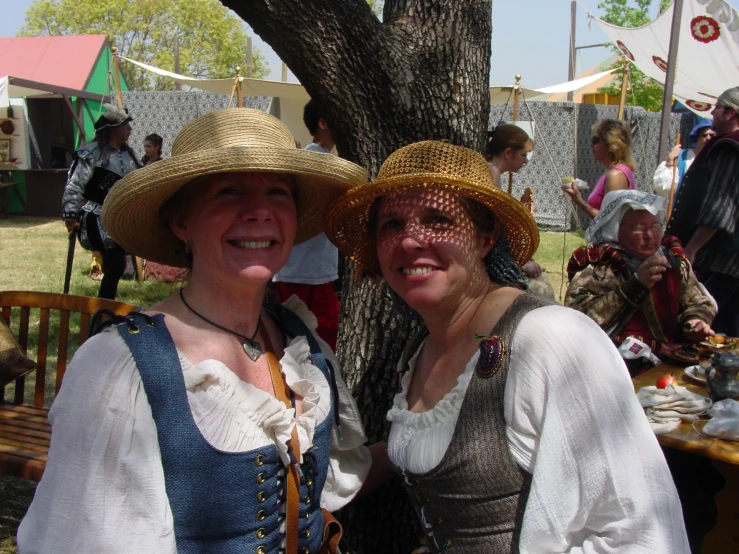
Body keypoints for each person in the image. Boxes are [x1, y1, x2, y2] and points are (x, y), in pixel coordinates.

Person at [19, 108, 386, 553]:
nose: (259, 212)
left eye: (277, 192)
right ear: (181, 221)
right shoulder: (118, 370)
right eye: (228, 192)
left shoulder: (300, 343)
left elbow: (328, 484)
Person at [324, 140, 689, 553]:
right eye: (391, 224)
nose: (410, 241)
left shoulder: (551, 339)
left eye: (439, 220)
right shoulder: (419, 349)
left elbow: (642, 535)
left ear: (485, 238)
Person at [565, 190, 715, 376]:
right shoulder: (601, 266)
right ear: (616, 228)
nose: (649, 235)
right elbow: (578, 319)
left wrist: (695, 321)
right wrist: (635, 284)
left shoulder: (673, 261)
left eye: (654, 226)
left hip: (671, 366)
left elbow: (698, 302)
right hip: (614, 369)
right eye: (639, 228)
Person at [667, 86, 739, 337]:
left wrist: (692, 248)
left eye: (717, 108)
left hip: (720, 258)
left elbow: (721, 206)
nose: (713, 114)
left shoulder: (730, 146)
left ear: (731, 112)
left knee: (706, 325)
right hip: (725, 257)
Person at [273, 99, 342, 350]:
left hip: (313, 269)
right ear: (323, 123)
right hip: (303, 271)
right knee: (311, 339)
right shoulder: (313, 162)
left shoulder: (323, 160)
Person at [61, 103, 140, 299]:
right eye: (125, 125)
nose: (129, 129)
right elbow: (75, 184)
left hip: (118, 216)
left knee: (117, 265)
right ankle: (104, 309)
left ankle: (105, 307)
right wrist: (70, 214)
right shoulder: (91, 153)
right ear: (113, 129)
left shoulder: (128, 154)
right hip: (95, 217)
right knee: (116, 264)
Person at [485, 124, 554, 299]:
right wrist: (518, 264)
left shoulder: (491, 171)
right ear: (508, 153)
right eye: (523, 155)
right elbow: (492, 230)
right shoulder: (491, 174)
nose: (525, 161)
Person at [564, 118, 636, 219]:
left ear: (612, 144)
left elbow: (609, 220)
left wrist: (579, 201)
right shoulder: (612, 171)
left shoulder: (616, 175)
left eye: (595, 140)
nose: (591, 145)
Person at [653, 121, 714, 199]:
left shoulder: (719, 158)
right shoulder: (683, 156)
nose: (708, 138)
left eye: (712, 135)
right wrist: (669, 162)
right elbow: (664, 188)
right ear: (698, 138)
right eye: (704, 135)